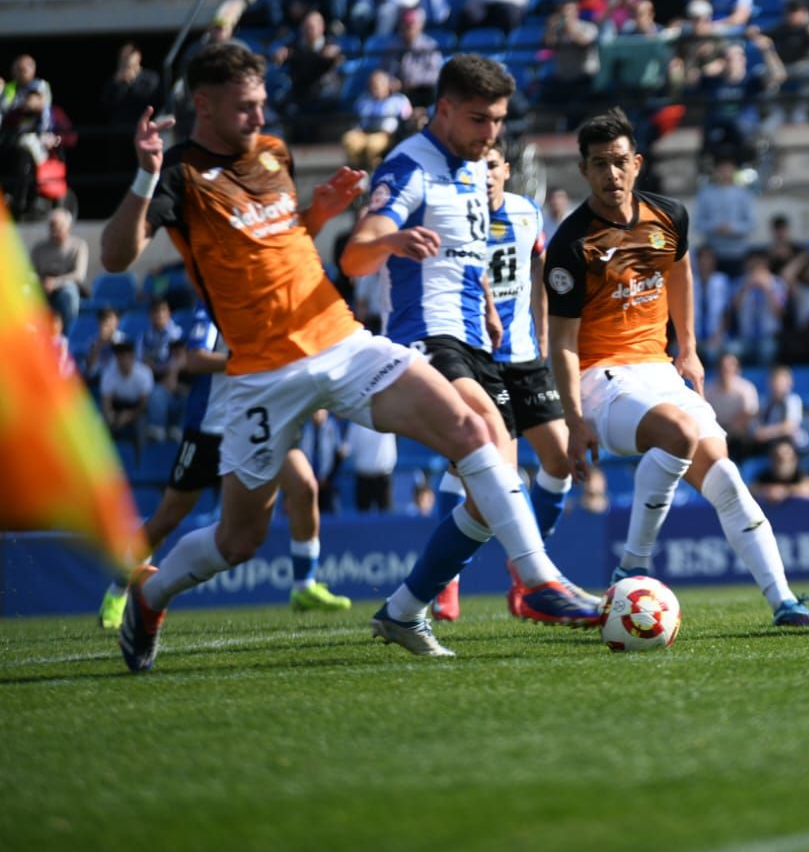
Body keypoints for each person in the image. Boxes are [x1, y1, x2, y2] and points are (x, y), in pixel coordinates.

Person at [100, 43, 566, 671]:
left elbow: (281, 241)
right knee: (239, 539)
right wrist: (144, 175)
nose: (258, 117)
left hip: (339, 338)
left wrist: (316, 214)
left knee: (472, 427)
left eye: (261, 103)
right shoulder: (180, 174)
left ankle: (538, 581)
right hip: (263, 372)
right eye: (244, 107)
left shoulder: (273, 153)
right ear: (203, 106)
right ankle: (151, 596)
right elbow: (115, 257)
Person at [544, 107, 809, 627]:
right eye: (599, 164)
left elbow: (680, 276)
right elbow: (561, 342)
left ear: (637, 163)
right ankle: (633, 567)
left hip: (657, 368)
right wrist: (574, 417)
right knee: (678, 434)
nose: (611, 174)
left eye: (619, 161)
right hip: (600, 376)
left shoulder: (669, 215)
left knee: (724, 475)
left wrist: (690, 348)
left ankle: (784, 602)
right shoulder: (571, 244)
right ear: (584, 170)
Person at [342, 57, 597, 638]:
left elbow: (469, 254)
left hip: (477, 340)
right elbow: (355, 255)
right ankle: (540, 582)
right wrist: (393, 239)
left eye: (499, 121)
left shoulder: (476, 169)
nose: (491, 133)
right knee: (488, 441)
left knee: (490, 488)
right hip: (425, 334)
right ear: (445, 109)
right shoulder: (409, 167)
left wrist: (484, 304)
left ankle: (403, 610)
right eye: (479, 119)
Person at [97, 300, 350, 629]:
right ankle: (118, 590)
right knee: (168, 516)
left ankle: (304, 586)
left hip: (259, 423)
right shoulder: (214, 304)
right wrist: (246, 360)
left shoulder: (270, 301)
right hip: (211, 427)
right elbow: (194, 360)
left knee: (304, 487)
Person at [31, 207, 89, 329]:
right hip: (42, 286)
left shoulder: (79, 246)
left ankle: (68, 333)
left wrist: (55, 283)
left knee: (69, 294)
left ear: (68, 227)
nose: (54, 232)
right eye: (51, 227)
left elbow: (79, 275)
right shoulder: (39, 248)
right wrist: (40, 282)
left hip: (66, 285)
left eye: (58, 228)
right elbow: (31, 272)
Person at [752, 438, 809, 506]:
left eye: (787, 455)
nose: (783, 460)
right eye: (778, 457)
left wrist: (785, 491)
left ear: (795, 458)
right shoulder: (765, 476)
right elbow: (751, 490)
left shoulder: (801, 474)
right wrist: (768, 491)